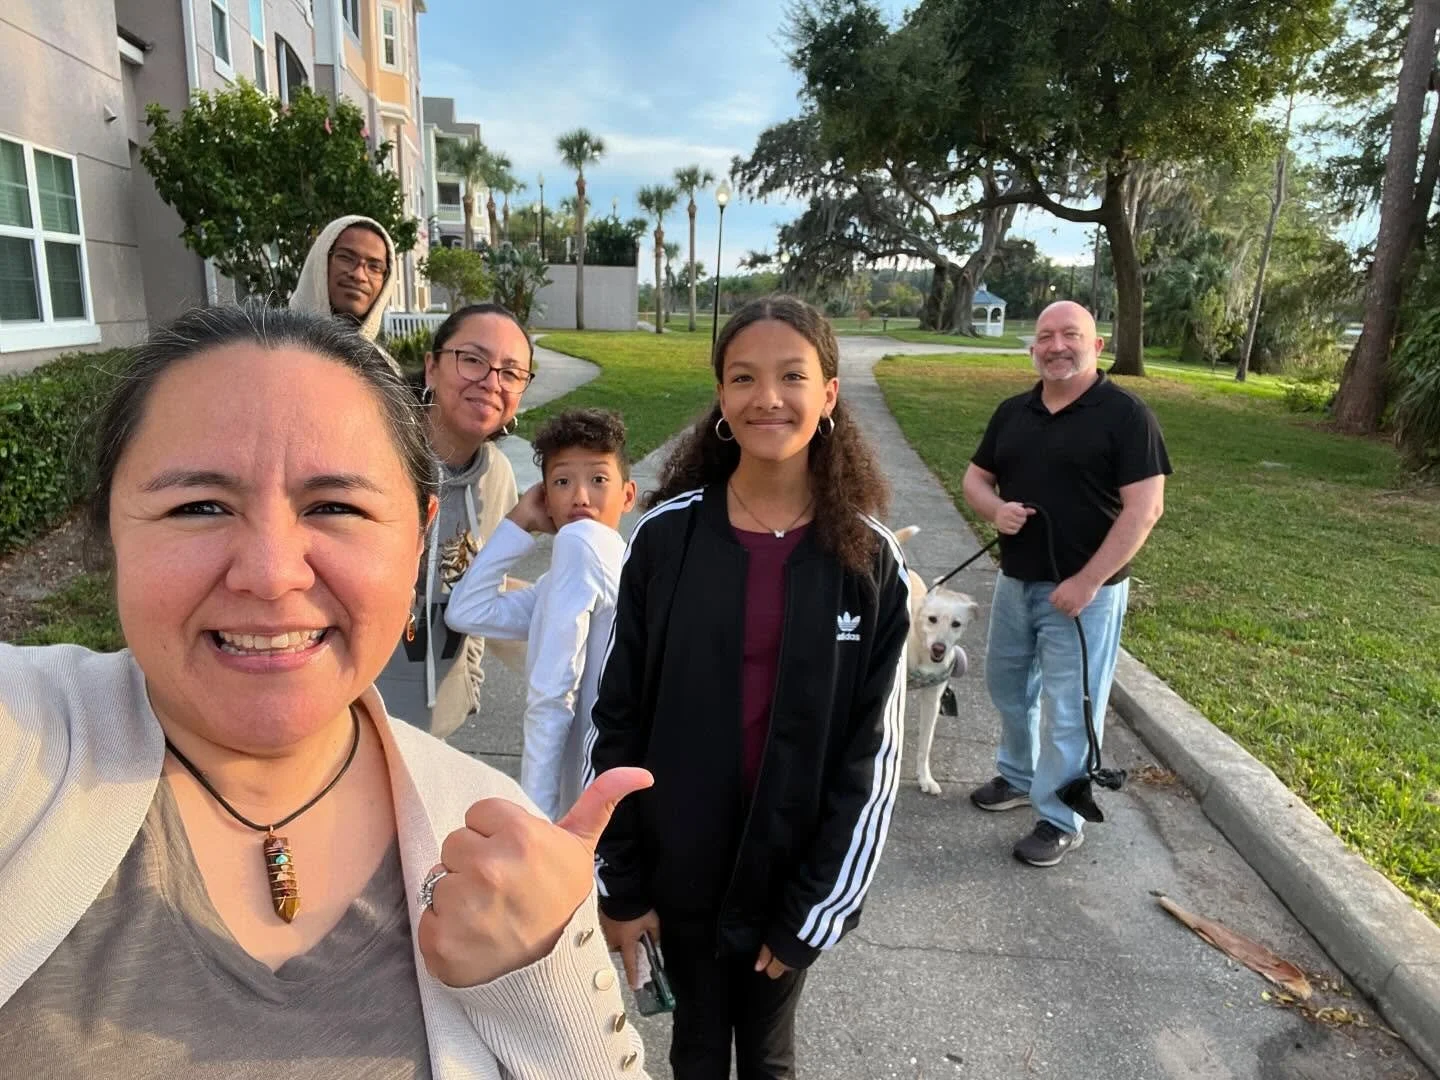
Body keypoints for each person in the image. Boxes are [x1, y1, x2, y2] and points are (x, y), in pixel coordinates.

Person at [0, 305, 651, 1078]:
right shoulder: (25, 736)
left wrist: (538, 977)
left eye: (336, 507)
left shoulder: (484, 827)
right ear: (112, 524)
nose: (271, 574)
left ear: (418, 535)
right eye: (199, 506)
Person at [589, 295, 911, 1079]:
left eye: (792, 376)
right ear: (721, 398)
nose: (768, 397)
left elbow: (872, 759)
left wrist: (818, 906)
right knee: (695, 1051)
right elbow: (615, 719)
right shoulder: (666, 539)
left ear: (828, 394)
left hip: (789, 878)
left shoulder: (868, 563)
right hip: (678, 870)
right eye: (743, 377)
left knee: (768, 1057)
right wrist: (621, 882)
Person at [962, 300, 1171, 867]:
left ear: (1096, 345)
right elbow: (976, 478)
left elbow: (1145, 509)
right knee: (1007, 687)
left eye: (1071, 335)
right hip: (1017, 581)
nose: (1057, 346)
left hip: (1086, 597)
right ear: (1033, 348)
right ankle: (1018, 775)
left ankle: (1060, 817)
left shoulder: (1127, 416)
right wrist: (995, 510)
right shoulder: (1013, 411)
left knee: (1069, 709)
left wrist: (1087, 582)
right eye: (1046, 336)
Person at [445, 408, 637, 822]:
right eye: (563, 482)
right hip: (608, 790)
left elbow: (551, 695)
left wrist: (536, 818)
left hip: (583, 800)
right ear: (544, 498)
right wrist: (519, 521)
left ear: (628, 495)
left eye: (598, 480)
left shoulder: (582, 543)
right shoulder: (601, 570)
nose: (580, 496)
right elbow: (467, 611)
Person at [375, 303, 532, 736]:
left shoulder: (497, 476)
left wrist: (468, 685)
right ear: (432, 367)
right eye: (473, 360)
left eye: (511, 372)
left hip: (439, 728)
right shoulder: (376, 458)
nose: (491, 382)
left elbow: (485, 587)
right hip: (356, 720)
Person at [289, 215, 400, 369]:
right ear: (322, 260)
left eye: (374, 267)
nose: (359, 275)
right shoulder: (273, 347)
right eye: (346, 258)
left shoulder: (385, 370)